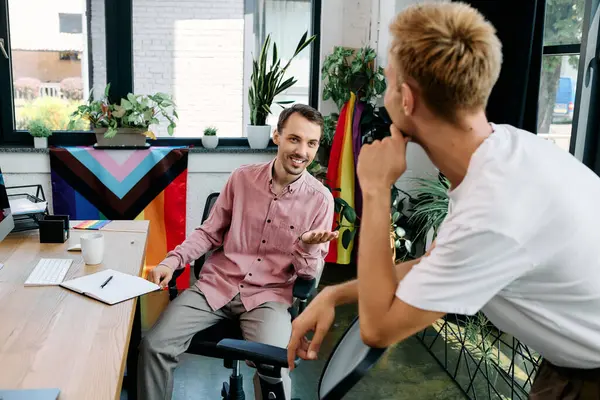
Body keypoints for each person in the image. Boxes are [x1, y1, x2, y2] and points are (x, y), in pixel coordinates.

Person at [287, 3, 600, 398]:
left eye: (387, 83)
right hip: (572, 361)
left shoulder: (494, 210)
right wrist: (335, 292)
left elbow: (378, 327)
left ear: (407, 99)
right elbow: (437, 262)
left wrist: (377, 188)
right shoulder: (504, 149)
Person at [139, 104, 337, 400]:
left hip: (268, 298)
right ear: (277, 137)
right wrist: (173, 260)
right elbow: (209, 232)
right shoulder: (242, 178)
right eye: (294, 139)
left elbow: (308, 277)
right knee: (154, 346)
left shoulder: (321, 201)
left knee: (275, 370)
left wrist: (308, 247)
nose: (302, 151)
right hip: (216, 286)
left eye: (312, 143)